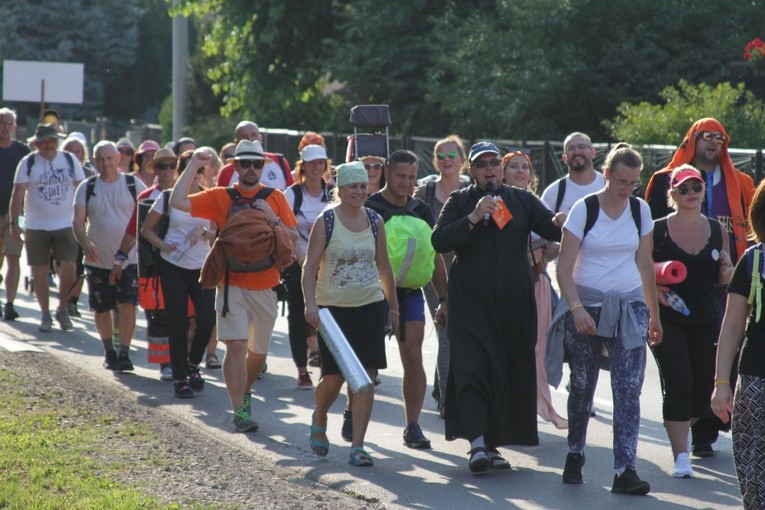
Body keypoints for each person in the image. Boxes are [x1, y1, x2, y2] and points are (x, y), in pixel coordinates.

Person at [431, 141, 563, 473]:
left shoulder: (522, 200)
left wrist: (565, 218)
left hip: (513, 303)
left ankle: (491, 444)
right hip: (470, 304)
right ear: (471, 170)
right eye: (481, 164)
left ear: (500, 169)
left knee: (505, 370)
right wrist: (474, 218)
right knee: (473, 368)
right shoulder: (460, 200)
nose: (489, 168)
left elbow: (552, 229)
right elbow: (439, 240)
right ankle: (476, 443)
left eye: (494, 162)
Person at [549, 143, 661, 495]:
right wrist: (577, 309)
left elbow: (645, 266)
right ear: (607, 174)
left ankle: (624, 469)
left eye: (633, 183)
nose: (627, 189)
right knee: (582, 385)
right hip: (587, 306)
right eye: (621, 182)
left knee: (628, 389)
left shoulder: (640, 210)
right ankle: (575, 452)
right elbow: (564, 269)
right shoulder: (585, 209)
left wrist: (654, 315)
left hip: (629, 307)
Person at [169, 140, 298, 432]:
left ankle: (245, 391)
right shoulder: (221, 196)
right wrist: (193, 165)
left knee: (258, 353)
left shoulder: (275, 197)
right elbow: (178, 202)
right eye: (245, 163)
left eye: (257, 164)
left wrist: (272, 217)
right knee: (236, 347)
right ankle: (239, 410)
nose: (251, 169)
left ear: (263, 167)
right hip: (231, 286)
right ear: (235, 166)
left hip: (266, 286)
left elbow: (292, 238)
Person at [645, 117, 755, 457]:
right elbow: (645, 241)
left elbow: (753, 230)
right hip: (673, 293)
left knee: (716, 359)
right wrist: (654, 284)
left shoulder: (742, 181)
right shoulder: (664, 179)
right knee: (681, 371)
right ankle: (685, 429)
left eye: (720, 139)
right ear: (693, 140)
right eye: (706, 137)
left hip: (721, 287)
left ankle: (705, 431)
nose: (713, 144)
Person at [302, 161, 399, 467]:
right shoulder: (326, 221)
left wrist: (392, 307)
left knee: (366, 378)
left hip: (369, 306)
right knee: (333, 379)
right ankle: (319, 415)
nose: (359, 191)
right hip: (333, 312)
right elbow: (309, 268)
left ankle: (358, 445)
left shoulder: (374, 221)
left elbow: (384, 267)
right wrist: (310, 304)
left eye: (362, 186)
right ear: (340, 190)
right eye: (353, 186)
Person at [650, 165, 734, 479]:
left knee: (701, 390)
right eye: (683, 188)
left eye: (696, 187)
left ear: (703, 191)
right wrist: (654, 293)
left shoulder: (716, 230)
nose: (690, 194)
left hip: (706, 318)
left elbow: (723, 279)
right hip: (666, 318)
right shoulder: (657, 229)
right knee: (679, 383)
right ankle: (681, 456)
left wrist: (727, 268)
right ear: (672, 193)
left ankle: (683, 426)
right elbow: (639, 270)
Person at [365, 149, 447, 449]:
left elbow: (435, 255)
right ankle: (353, 412)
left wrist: (444, 298)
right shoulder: (369, 207)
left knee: (412, 355)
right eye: (401, 176)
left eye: (412, 177)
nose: (407, 182)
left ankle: (413, 426)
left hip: (410, 293)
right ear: (387, 173)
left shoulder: (422, 209)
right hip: (372, 294)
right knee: (368, 363)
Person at [141, 151, 216, 398]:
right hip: (172, 265)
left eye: (198, 171)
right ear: (181, 172)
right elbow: (146, 229)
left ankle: (193, 363)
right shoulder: (167, 198)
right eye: (188, 169)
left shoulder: (209, 198)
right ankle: (180, 378)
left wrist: (204, 232)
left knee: (206, 321)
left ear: (204, 174)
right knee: (178, 321)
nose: (194, 175)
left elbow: (215, 232)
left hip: (201, 267)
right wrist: (163, 246)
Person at [502, 150, 567, 429]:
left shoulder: (537, 205)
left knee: (537, 350)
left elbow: (548, 253)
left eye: (525, 167)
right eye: (513, 167)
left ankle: (530, 408)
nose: (520, 172)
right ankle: (510, 408)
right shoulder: (499, 203)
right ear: (503, 172)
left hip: (539, 284)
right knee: (510, 348)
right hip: (510, 286)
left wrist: (565, 235)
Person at [712, 178, 765, 509]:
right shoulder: (752, 261)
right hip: (757, 380)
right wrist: (721, 383)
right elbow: (731, 327)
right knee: (753, 471)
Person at [73, 141, 147, 370]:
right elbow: (77, 222)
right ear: (94, 161)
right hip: (98, 259)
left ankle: (124, 352)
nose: (106, 164)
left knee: (127, 304)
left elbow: (146, 215)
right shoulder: (87, 186)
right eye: (100, 159)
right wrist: (86, 244)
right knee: (102, 307)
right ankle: (109, 352)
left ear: (118, 158)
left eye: (109, 158)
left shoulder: (133, 183)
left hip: (129, 259)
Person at [413, 135, 470, 419]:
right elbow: (409, 224)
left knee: (462, 332)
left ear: (462, 160)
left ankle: (440, 388)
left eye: (452, 156)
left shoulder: (473, 191)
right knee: (447, 331)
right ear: (436, 161)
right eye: (441, 156)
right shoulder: (424, 192)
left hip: (468, 269)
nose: (447, 161)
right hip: (434, 270)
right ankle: (449, 401)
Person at [110, 148, 179, 381]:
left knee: (184, 316)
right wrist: (120, 258)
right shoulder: (146, 197)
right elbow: (133, 230)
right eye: (162, 166)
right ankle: (165, 364)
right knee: (157, 316)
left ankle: (185, 361)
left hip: (183, 265)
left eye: (171, 165)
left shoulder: (188, 194)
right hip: (153, 266)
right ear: (155, 170)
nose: (167, 170)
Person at [10, 123, 85, 332]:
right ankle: (45, 314)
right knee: (39, 270)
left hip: (66, 223)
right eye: (44, 141)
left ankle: (62, 307)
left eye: (52, 141)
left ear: (57, 141)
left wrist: (84, 217)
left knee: (69, 267)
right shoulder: (28, 163)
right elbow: (17, 196)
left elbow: (82, 188)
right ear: (37, 143)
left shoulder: (69, 160)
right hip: (36, 225)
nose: (48, 145)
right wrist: (14, 223)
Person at [282, 144, 330, 389]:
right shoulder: (292, 194)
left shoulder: (332, 193)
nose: (316, 167)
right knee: (299, 316)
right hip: (297, 263)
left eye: (320, 162)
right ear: (302, 166)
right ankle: (302, 369)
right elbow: (284, 228)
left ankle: (327, 366)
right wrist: (302, 259)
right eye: (311, 163)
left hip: (328, 265)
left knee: (328, 316)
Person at [0, 108, 29, 321]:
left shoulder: (22, 152)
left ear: (15, 127)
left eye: (10, 123)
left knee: (14, 257)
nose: (5, 127)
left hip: (14, 214)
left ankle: (9, 303)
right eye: (2, 122)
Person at [540, 132, 605, 215]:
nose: (576, 152)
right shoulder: (553, 193)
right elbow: (541, 225)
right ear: (564, 158)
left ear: (593, 153)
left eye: (581, 147)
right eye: (571, 149)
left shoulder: (609, 185)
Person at [216, 121, 294, 190]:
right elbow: (219, 202)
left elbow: (291, 199)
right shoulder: (226, 172)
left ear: (261, 138)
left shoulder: (279, 162)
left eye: (253, 135)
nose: (250, 139)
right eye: (244, 137)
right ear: (236, 143)